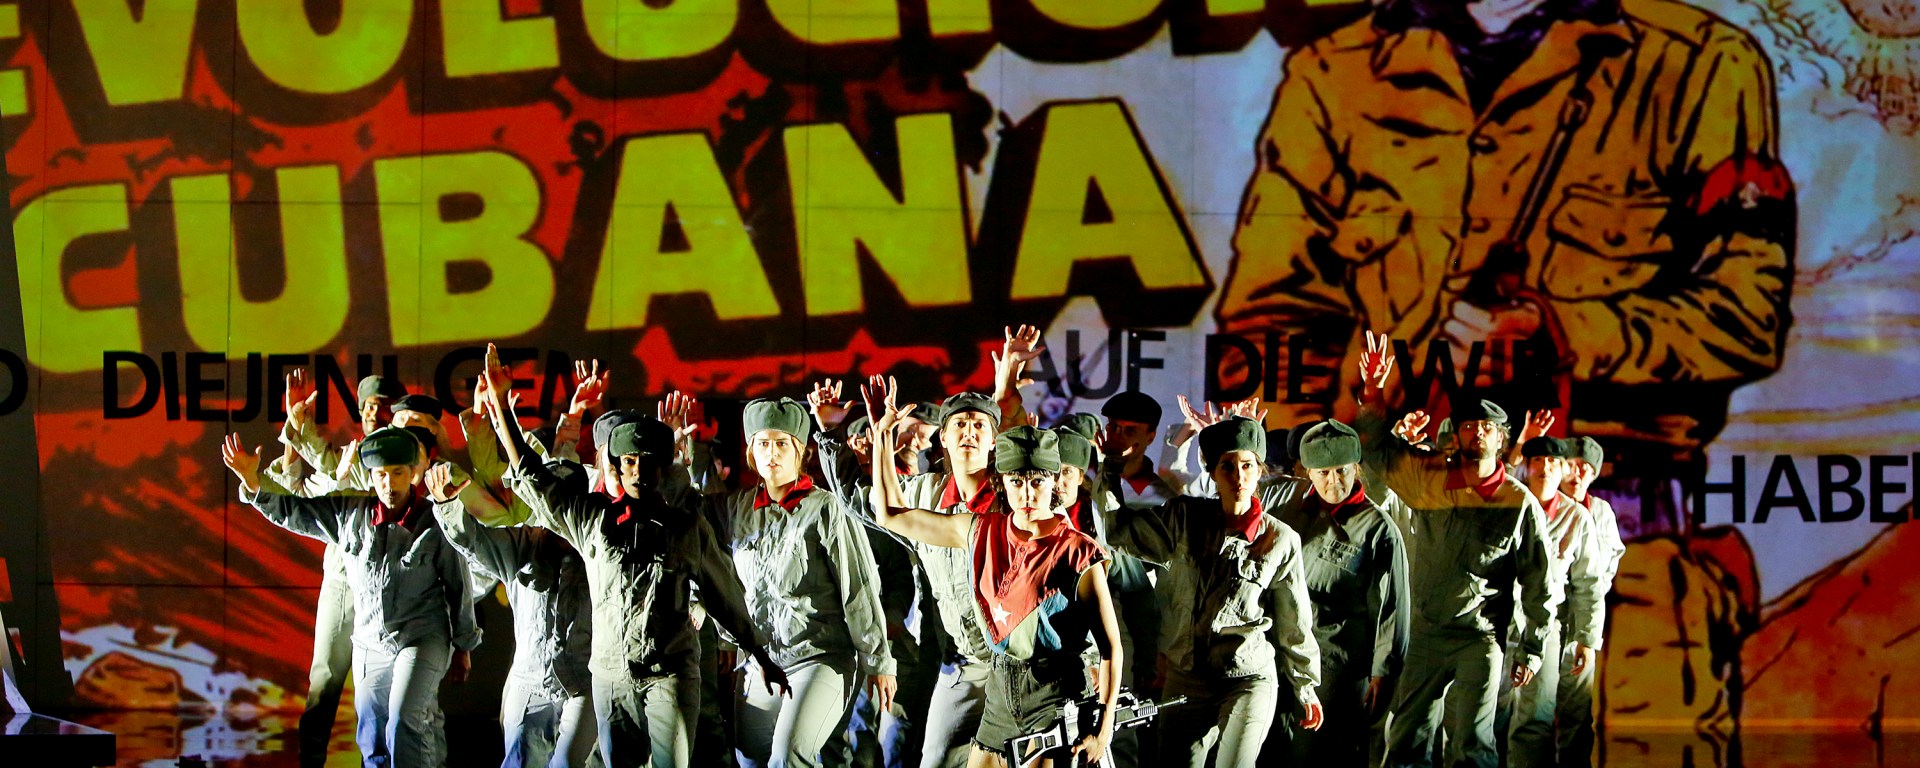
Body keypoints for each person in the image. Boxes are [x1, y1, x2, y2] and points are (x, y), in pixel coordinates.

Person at [1216, 0, 1795, 538]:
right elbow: (1267, 323)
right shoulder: (1334, 71)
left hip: (1609, 522)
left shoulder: (1698, 64)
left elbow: (1747, 316)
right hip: (1388, 511)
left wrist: (1559, 335)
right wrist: (1319, 478)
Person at [476, 349, 788, 768]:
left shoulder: (685, 526)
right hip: (611, 675)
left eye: (647, 462)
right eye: (629, 462)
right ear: (617, 468)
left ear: (662, 468)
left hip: (669, 674)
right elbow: (534, 477)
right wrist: (500, 406)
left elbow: (723, 593)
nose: (638, 470)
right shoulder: (593, 520)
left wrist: (759, 654)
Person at [866, 389, 1122, 768]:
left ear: (1053, 483)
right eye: (1016, 481)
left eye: (1037, 481)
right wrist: (883, 436)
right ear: (1002, 483)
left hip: (1053, 692)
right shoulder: (980, 529)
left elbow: (1111, 647)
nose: (1027, 493)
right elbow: (890, 514)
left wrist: (1103, 727)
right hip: (999, 688)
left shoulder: (1077, 550)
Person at [1353, 331, 1560, 768]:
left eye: (1487, 427)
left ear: (1501, 439)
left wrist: (1533, 647)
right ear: (1458, 435)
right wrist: (1372, 392)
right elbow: (1377, 452)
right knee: (1405, 741)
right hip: (1425, 633)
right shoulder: (1429, 480)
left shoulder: (1518, 503)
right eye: (1468, 425)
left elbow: (1540, 581)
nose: (1477, 433)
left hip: (1480, 638)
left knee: (1472, 745)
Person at [222, 427, 479, 768]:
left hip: (422, 637)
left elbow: (458, 584)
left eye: (397, 473)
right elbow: (295, 512)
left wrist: (463, 645)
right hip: (371, 641)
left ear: (412, 474)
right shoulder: (349, 514)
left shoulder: (434, 522)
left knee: (404, 722)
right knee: (372, 735)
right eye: (381, 475)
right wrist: (252, 482)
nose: (389, 483)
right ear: (371, 476)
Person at [671, 395, 897, 768]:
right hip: (762, 660)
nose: (772, 453)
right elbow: (687, 518)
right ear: (751, 451)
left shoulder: (826, 508)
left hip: (820, 657)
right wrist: (679, 456)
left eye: (781, 443)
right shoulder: (736, 508)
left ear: (800, 451)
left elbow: (859, 587)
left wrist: (878, 660)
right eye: (763, 443)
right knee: (750, 757)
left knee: (789, 756)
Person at [1099, 417, 1322, 767]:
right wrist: (1111, 467)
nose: (1238, 477)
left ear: (1259, 471)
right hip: (1186, 676)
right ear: (1213, 472)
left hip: (1247, 677)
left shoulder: (1280, 539)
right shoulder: (1184, 518)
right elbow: (1119, 531)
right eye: (1227, 466)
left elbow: (1295, 620)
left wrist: (1305, 686)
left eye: (1247, 466)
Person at [426, 459, 597, 768]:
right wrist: (447, 506)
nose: (555, 510)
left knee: (569, 762)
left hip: (583, 684)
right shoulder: (521, 543)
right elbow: (475, 541)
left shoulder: (599, 548)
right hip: (530, 681)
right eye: (548, 499)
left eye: (564, 500)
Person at [277, 370, 404, 768]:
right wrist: (296, 426)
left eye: (383, 406)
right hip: (344, 582)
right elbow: (297, 486)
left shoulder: (405, 464)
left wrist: (301, 427)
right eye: (368, 406)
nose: (374, 412)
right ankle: (310, 761)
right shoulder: (347, 458)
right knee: (325, 681)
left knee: (386, 692)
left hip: (390, 590)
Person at [1266, 419, 1411, 767]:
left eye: (1342, 470)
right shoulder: (1289, 509)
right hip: (1277, 655)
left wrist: (1384, 672)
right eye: (1323, 472)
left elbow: (1392, 608)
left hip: (1335, 665)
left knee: (1320, 755)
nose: (1334, 481)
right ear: (1307, 472)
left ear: (1356, 468)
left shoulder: (1378, 529)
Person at [1543, 436, 1625, 768]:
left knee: (1576, 715)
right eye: (1573, 466)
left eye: (1586, 469)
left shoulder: (1601, 513)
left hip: (1580, 625)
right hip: (1543, 623)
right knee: (1532, 715)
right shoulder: (1542, 505)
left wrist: (1588, 628)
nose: (1578, 474)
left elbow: (1609, 563)